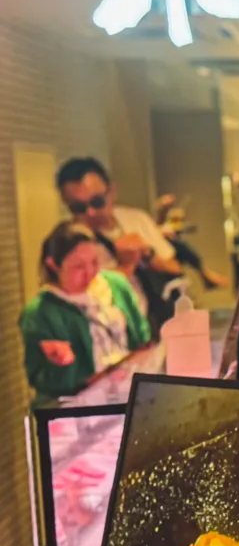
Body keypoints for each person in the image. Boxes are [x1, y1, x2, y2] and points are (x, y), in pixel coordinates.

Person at [20, 221, 150, 398]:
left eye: (94, 262)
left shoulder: (116, 285)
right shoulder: (40, 312)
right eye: (79, 267)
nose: (90, 273)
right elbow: (40, 379)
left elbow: (142, 337)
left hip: (129, 391)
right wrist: (60, 364)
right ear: (53, 265)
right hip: (83, 404)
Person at [56, 157, 183, 326]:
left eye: (97, 202)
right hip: (109, 330)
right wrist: (125, 266)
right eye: (78, 208)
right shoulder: (68, 243)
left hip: (153, 321)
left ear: (112, 192)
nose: (91, 212)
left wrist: (147, 254)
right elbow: (83, 301)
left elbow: (175, 268)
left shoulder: (136, 219)